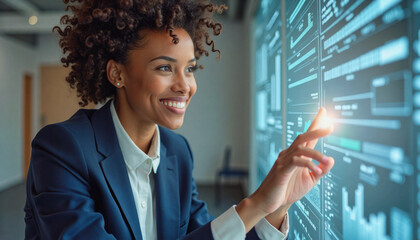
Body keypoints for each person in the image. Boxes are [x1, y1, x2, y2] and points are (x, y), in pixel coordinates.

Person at [24, 0, 335, 239]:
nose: (185, 86)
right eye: (164, 68)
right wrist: (253, 204)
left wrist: (277, 206)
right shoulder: (62, 148)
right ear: (117, 73)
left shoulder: (177, 153)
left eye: (189, 68)